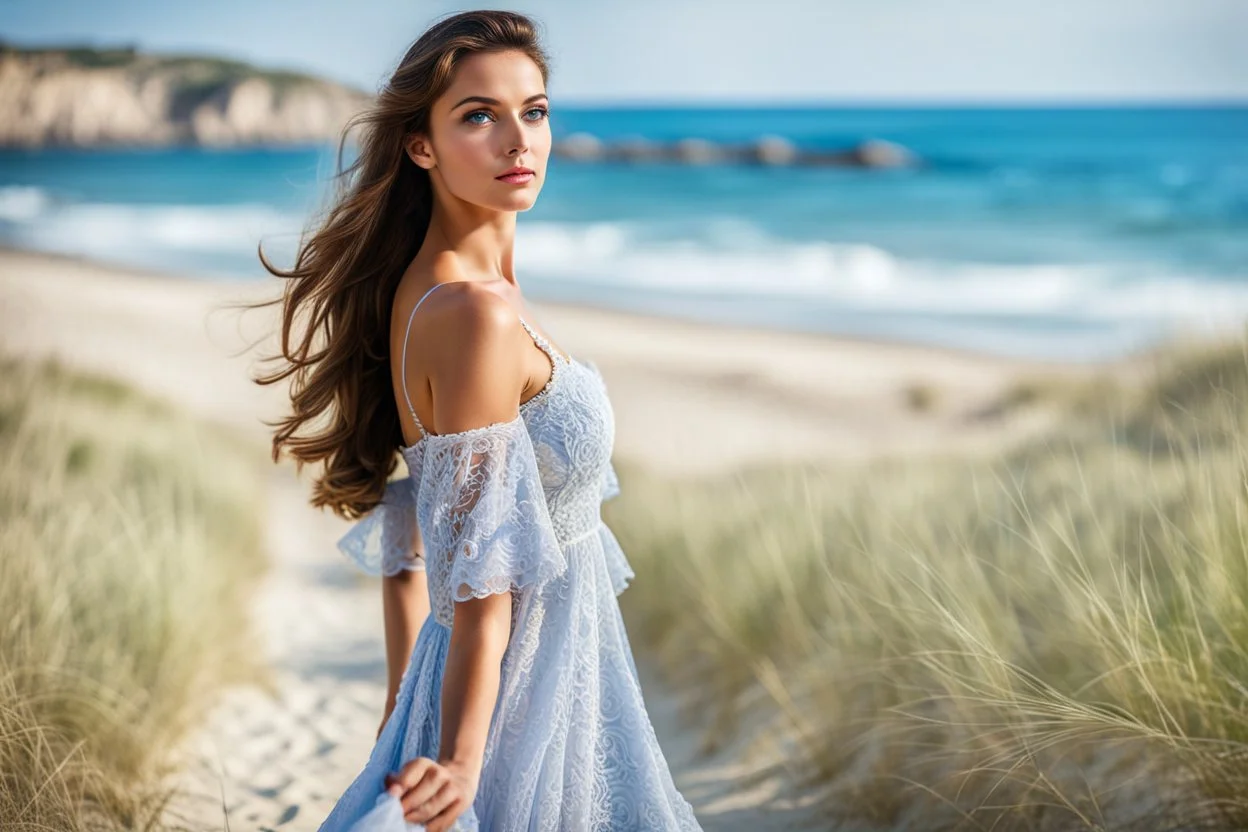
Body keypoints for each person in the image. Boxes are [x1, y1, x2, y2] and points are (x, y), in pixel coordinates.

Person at [249, 10, 704, 832]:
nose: (517, 141)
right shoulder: (471, 313)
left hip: (520, 681)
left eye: (533, 111)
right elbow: (485, 580)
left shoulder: (440, 290)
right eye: (478, 115)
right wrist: (461, 757)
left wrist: (402, 703)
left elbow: (411, 524)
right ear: (420, 145)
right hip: (520, 704)